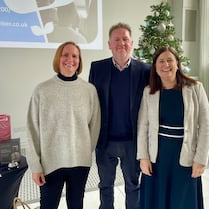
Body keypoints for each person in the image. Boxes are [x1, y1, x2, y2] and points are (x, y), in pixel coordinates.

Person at [26, 41, 101, 209]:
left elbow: (95, 126)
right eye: (65, 54)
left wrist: (84, 150)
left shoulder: (89, 90)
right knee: (48, 205)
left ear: (79, 61)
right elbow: (32, 130)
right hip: (51, 163)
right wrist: (35, 166)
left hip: (80, 161)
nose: (70, 59)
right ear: (57, 59)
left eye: (75, 56)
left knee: (76, 204)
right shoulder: (42, 90)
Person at [137, 46, 209, 209]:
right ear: (155, 67)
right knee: (156, 200)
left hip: (185, 157)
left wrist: (201, 159)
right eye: (161, 61)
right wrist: (143, 157)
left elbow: (206, 125)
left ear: (177, 64)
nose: (166, 65)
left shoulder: (195, 88)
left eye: (170, 60)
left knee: (182, 200)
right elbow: (143, 126)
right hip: (157, 157)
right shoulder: (149, 91)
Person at [89, 22, 150, 209]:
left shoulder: (145, 70)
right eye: (116, 39)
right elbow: (91, 103)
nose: (121, 43)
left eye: (125, 39)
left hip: (132, 141)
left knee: (133, 185)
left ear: (132, 43)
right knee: (105, 185)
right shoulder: (97, 68)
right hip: (105, 141)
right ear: (109, 44)